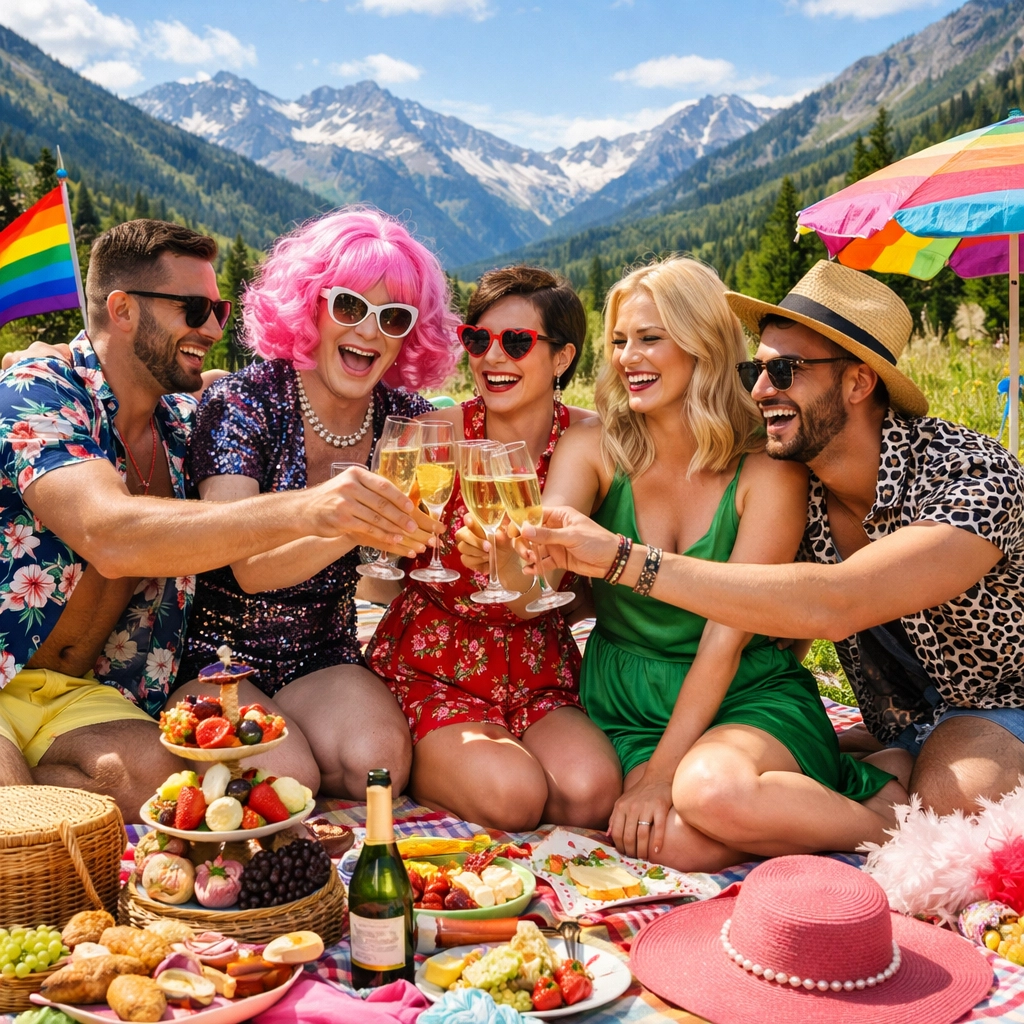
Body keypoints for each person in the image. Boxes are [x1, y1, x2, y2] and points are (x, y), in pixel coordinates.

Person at [523, 259, 1024, 820]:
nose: (760, 391)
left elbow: (834, 602)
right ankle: (888, 766)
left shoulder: (976, 481)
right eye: (754, 371)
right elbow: (765, 605)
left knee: (949, 805)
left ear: (858, 381)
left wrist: (621, 560)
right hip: (895, 720)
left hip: (1001, 702)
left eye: (784, 371)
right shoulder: (796, 474)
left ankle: (900, 790)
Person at [0, 218, 438, 815]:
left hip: (86, 692)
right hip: (10, 664)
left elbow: (244, 390)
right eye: (193, 309)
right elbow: (109, 534)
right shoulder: (36, 389)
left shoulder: (183, 420)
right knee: (18, 824)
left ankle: (33, 792)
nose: (210, 328)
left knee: (176, 785)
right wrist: (315, 510)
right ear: (122, 309)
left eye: (219, 310)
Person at [506, 256, 904, 872]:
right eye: (618, 341)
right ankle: (850, 776)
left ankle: (888, 820)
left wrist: (661, 778)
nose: (627, 357)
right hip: (627, 699)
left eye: (650, 338)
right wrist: (516, 551)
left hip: (743, 691)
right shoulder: (591, 448)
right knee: (671, 844)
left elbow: (725, 637)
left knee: (709, 794)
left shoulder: (766, 468)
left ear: (703, 346)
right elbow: (545, 552)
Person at [176, 208, 456, 798]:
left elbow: (495, 426)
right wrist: (358, 521)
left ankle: (303, 737)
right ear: (311, 306)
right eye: (350, 307)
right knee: (285, 783)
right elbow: (250, 568)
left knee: (378, 766)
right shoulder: (244, 402)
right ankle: (287, 750)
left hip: (324, 650)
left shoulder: (405, 421)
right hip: (217, 654)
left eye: (395, 317)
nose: (371, 332)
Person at [367, 266, 622, 832]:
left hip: (539, 663)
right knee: (513, 797)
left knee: (592, 792)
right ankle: (435, 758)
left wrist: (509, 560)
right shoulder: (432, 435)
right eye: (479, 340)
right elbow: (380, 562)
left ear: (561, 358)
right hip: (435, 664)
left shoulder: (588, 443)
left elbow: (548, 589)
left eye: (517, 342)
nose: (492, 358)